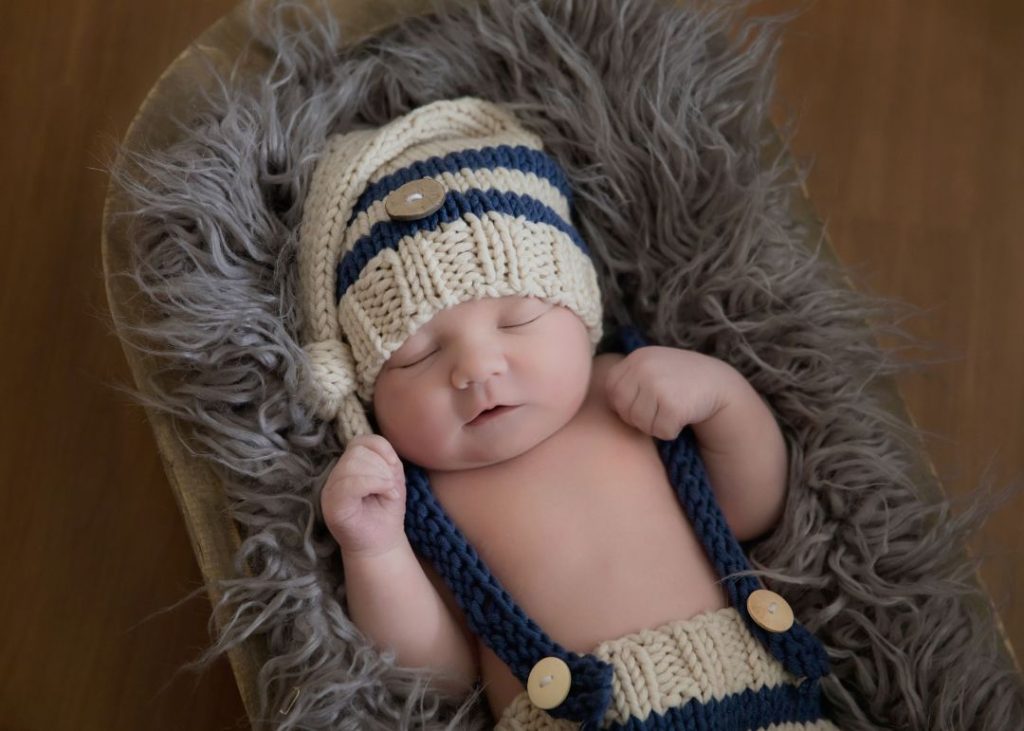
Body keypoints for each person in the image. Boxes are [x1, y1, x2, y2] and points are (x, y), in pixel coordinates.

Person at [297, 96, 837, 729]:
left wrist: (722, 398)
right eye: (417, 355)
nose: (476, 368)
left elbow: (752, 509)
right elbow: (440, 675)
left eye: (517, 318)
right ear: (368, 394)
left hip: (753, 693)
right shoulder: (423, 492)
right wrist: (375, 552)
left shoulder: (626, 391)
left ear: (582, 314)